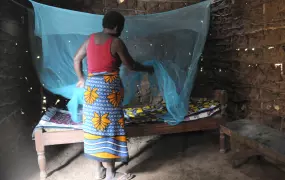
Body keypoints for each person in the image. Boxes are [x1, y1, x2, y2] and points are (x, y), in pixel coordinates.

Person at [73, 11, 153, 180]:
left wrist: (81, 79)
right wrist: (147, 69)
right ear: (117, 27)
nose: (122, 30)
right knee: (110, 128)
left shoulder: (90, 39)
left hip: (92, 90)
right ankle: (111, 173)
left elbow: (76, 59)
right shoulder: (116, 42)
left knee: (96, 126)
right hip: (108, 90)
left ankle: (100, 170)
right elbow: (130, 65)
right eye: (122, 27)